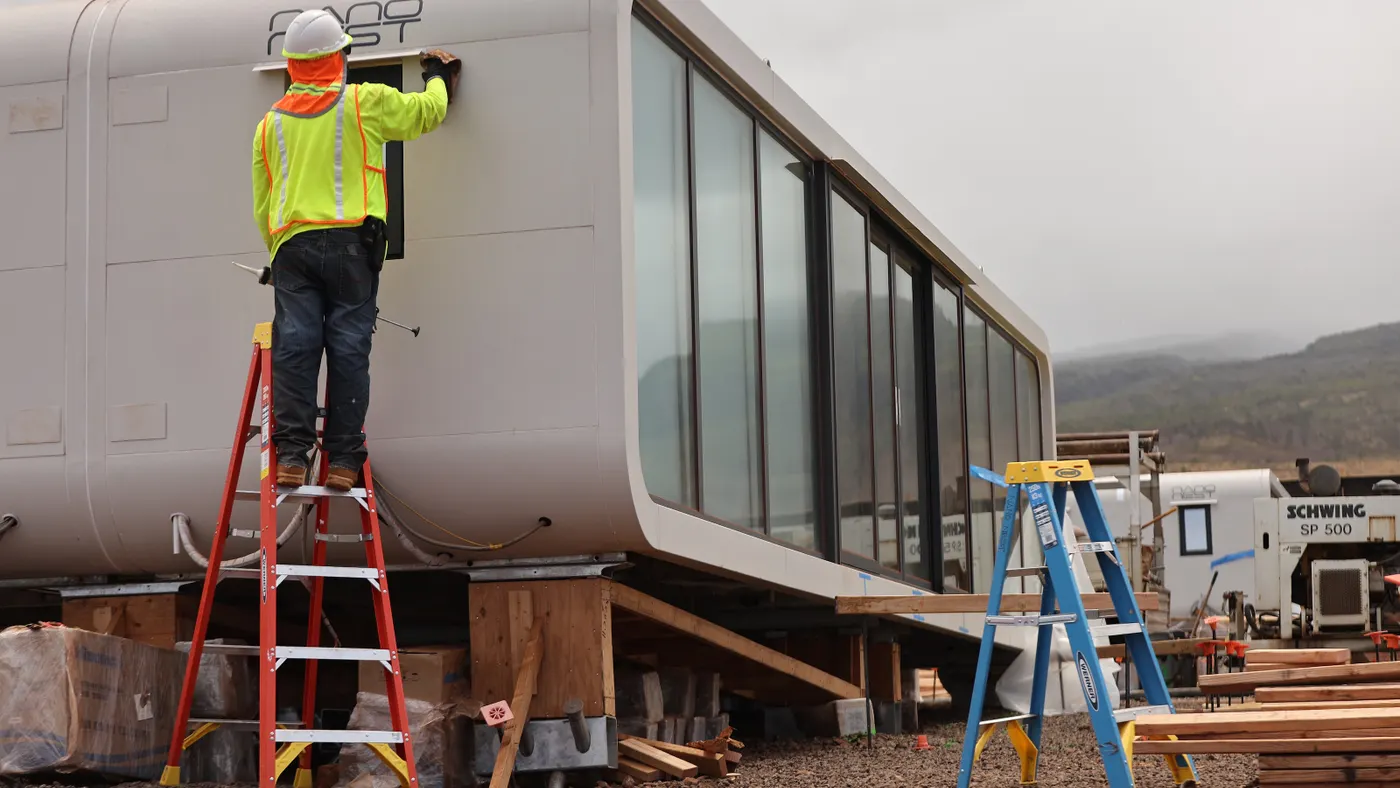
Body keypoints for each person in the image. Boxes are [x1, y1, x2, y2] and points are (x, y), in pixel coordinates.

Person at [252, 10, 460, 491]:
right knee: (348, 349)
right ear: (338, 58)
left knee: (297, 347)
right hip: (352, 246)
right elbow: (425, 114)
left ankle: (292, 456)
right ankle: (344, 462)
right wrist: (438, 77)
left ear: (293, 65)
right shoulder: (363, 103)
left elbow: (263, 202)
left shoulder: (269, 125)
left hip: (291, 249)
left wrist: (280, 247)